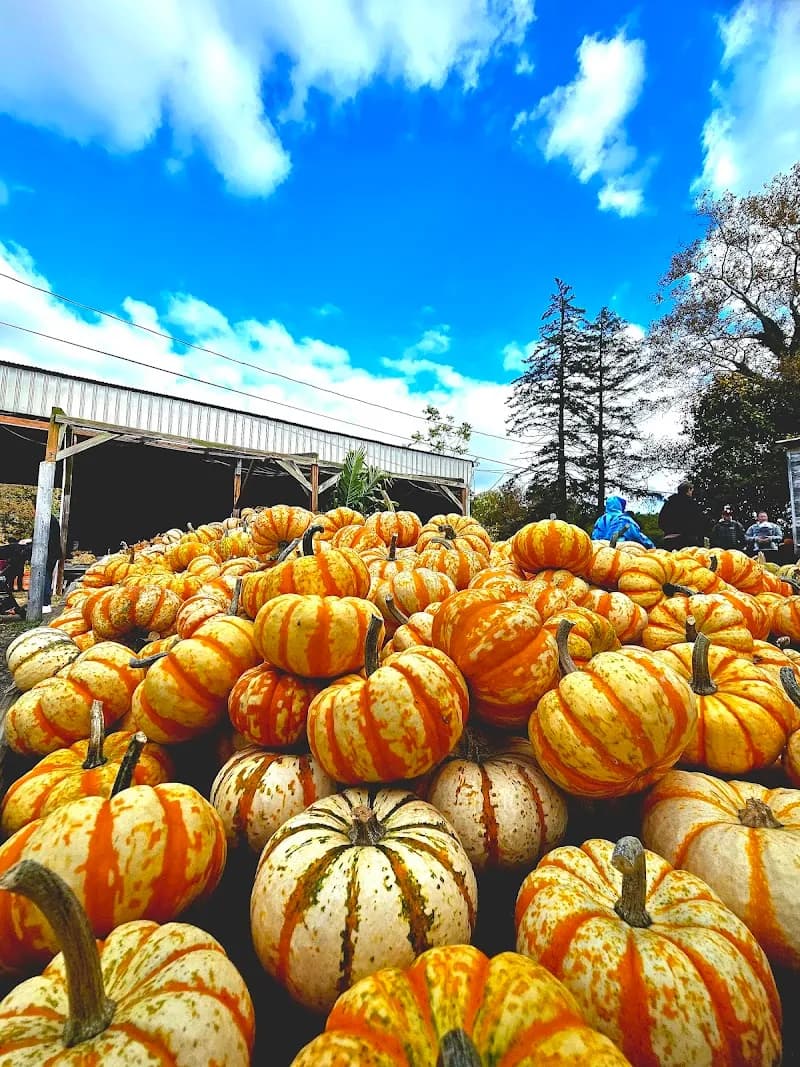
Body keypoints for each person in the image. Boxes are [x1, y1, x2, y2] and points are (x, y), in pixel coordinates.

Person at [658, 480, 705, 550]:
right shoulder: (691, 504)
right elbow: (698, 523)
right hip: (686, 541)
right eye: (691, 491)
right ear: (688, 490)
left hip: (669, 540)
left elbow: (661, 521)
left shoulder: (668, 503)